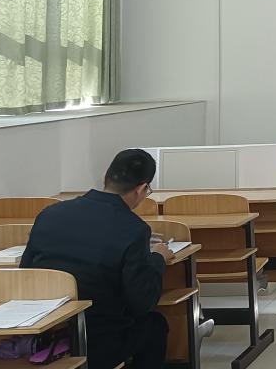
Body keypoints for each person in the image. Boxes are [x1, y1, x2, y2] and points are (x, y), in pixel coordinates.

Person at [21, 149, 171, 369]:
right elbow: (142, 302)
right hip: (97, 343)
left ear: (105, 178)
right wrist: (157, 258)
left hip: (43, 336)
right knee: (154, 325)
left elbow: (26, 272)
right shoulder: (133, 228)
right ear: (141, 189)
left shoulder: (49, 214)